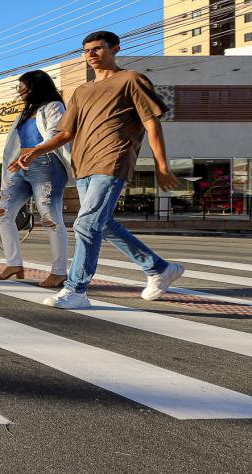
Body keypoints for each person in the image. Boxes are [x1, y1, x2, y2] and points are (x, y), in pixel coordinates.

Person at [18, 30, 185, 310]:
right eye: (86, 51)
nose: (91, 55)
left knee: (86, 223)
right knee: (102, 223)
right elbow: (66, 132)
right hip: (83, 164)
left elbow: (151, 123)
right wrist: (36, 150)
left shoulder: (131, 80)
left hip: (113, 160)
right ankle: (159, 269)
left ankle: (76, 289)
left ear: (115, 49)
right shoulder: (82, 91)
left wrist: (162, 165)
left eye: (97, 49)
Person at [0, 70, 71, 288]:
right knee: (3, 213)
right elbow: (14, 145)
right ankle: (14, 263)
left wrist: (33, 154)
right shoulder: (24, 113)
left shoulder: (54, 105)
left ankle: (59, 271)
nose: (19, 91)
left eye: (22, 87)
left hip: (46, 164)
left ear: (35, 86)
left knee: (49, 217)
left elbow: (55, 135)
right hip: (20, 166)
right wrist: (16, 162)